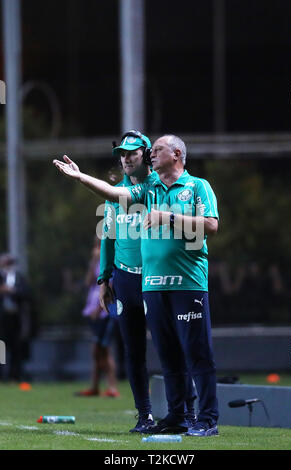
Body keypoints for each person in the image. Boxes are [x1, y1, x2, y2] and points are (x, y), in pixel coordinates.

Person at [53, 133, 219, 437]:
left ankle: (205, 418)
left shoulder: (197, 186)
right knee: (162, 352)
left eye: (155, 151)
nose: (148, 156)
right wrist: (80, 177)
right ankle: (172, 416)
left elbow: (210, 226)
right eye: (150, 151)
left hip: (186, 281)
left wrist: (166, 218)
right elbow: (113, 199)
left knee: (194, 352)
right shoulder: (147, 188)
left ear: (176, 154)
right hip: (148, 284)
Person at [98, 130, 196, 432]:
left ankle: (187, 413)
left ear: (147, 155)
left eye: (132, 153)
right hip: (126, 278)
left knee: (176, 346)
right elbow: (108, 238)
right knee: (133, 349)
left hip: (159, 278)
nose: (126, 159)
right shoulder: (116, 195)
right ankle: (145, 414)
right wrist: (104, 278)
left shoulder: (159, 187)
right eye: (122, 155)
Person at [76, 238, 120, 397]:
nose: (96, 248)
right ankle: (95, 386)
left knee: (103, 349)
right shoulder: (97, 260)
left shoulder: (112, 260)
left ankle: (112, 387)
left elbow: (111, 286)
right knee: (96, 351)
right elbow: (89, 282)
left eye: (99, 244)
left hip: (104, 311)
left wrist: (98, 308)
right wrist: (94, 260)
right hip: (92, 310)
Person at [0, 253, 34, 381]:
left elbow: (27, 294)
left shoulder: (18, 278)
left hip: (15, 318)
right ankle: (1, 375)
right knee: (1, 347)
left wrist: (12, 291)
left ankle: (14, 375)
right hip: (2, 319)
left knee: (16, 347)